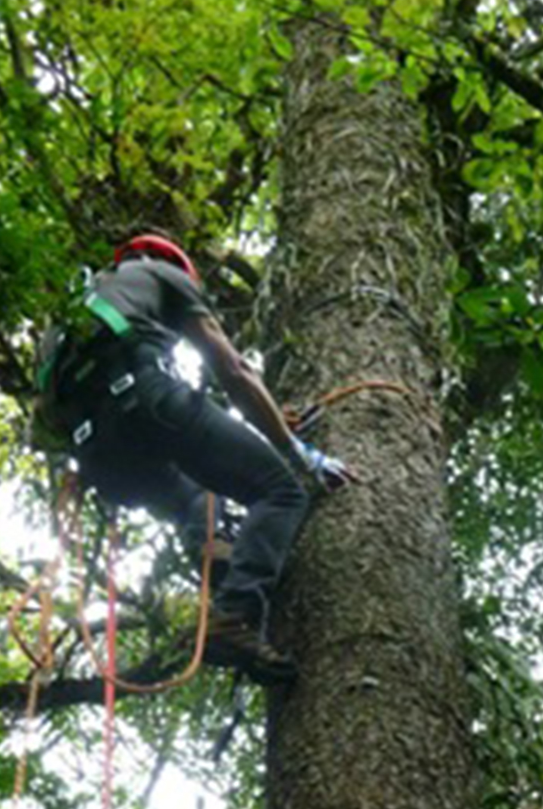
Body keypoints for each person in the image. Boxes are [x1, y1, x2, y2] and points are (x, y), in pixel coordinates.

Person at [35, 234, 350, 683]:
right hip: (148, 400)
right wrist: (298, 449)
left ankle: (217, 548)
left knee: (196, 496)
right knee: (280, 491)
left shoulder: (60, 326)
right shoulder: (161, 272)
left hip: (101, 459)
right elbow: (233, 369)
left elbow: (43, 427)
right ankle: (235, 615)